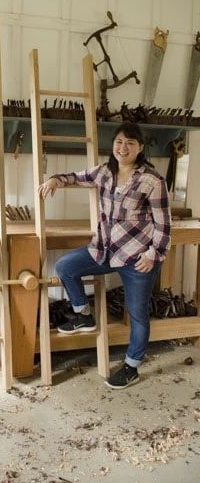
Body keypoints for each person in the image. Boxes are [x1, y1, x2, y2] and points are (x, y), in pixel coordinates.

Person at [39, 122, 171, 389]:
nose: (123, 148)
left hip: (137, 258)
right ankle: (83, 314)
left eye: (130, 143)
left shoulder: (152, 180)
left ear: (140, 148)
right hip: (103, 251)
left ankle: (131, 366)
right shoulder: (103, 173)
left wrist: (154, 254)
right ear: (114, 145)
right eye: (119, 141)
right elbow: (75, 176)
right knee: (65, 266)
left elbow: (164, 224)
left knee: (137, 314)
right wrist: (55, 178)